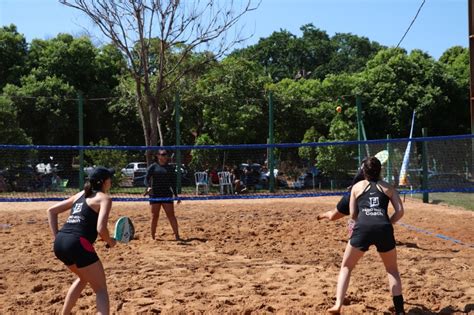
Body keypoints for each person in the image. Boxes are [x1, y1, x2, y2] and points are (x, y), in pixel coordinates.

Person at [328, 156, 405, 314]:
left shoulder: (357, 187)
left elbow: (352, 214)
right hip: (383, 228)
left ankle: (337, 305)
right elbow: (400, 211)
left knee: (346, 267)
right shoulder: (388, 187)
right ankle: (400, 311)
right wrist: (388, 223)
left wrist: (362, 223)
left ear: (364, 171)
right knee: (392, 270)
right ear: (380, 170)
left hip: (363, 227)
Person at [47, 166, 116, 315]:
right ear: (104, 182)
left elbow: (51, 211)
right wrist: (110, 241)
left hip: (60, 243)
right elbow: (101, 229)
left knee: (83, 278)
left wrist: (57, 236)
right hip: (78, 243)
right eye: (110, 178)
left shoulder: (80, 195)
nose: (111, 181)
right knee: (101, 289)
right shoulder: (104, 198)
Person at [145, 150, 181, 241]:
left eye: (166, 155)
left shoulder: (170, 168)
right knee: (154, 216)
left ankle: (177, 236)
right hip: (155, 195)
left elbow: (173, 183)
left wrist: (176, 195)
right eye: (163, 155)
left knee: (171, 215)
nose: (165, 157)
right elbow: (146, 179)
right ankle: (152, 237)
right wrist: (148, 187)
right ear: (158, 156)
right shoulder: (153, 167)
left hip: (166, 194)